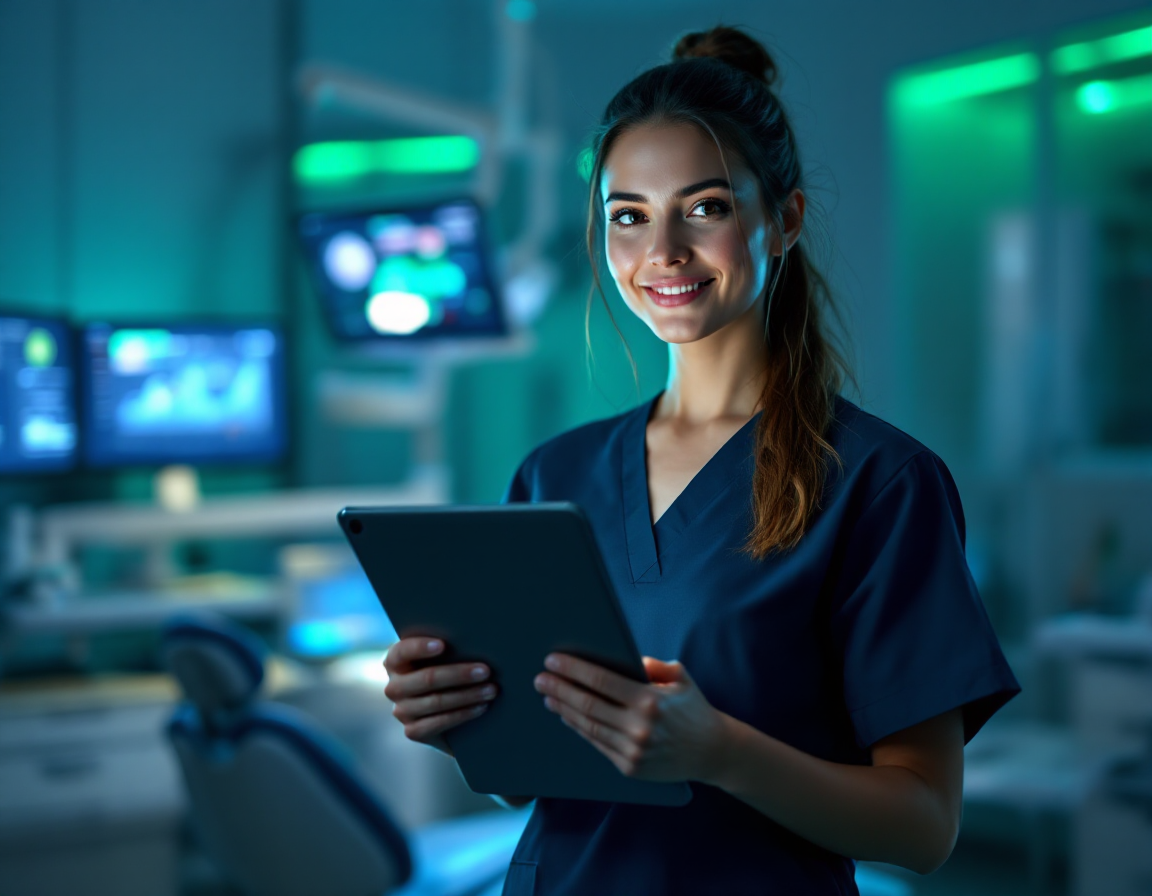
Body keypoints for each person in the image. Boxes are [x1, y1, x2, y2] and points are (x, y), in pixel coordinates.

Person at [383, 25, 1020, 895]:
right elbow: (533, 787)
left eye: (707, 207)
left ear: (784, 220)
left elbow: (923, 829)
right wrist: (463, 722)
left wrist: (719, 751)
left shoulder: (878, 483)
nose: (664, 253)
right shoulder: (553, 475)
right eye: (629, 217)